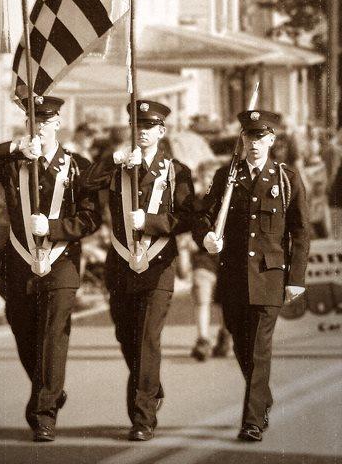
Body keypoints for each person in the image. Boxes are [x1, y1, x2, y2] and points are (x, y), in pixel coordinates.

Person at [0, 96, 101, 443]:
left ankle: (43, 414)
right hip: (19, 263)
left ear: (58, 123)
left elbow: (91, 218)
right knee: (23, 333)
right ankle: (51, 390)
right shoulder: (12, 164)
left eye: (47, 121)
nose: (40, 127)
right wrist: (14, 145)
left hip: (61, 264)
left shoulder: (78, 166)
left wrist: (56, 229)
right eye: (34, 121)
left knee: (51, 335)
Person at [81, 100, 195, 441]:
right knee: (126, 338)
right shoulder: (119, 167)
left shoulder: (177, 171)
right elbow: (86, 183)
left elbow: (188, 217)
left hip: (158, 268)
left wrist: (153, 221)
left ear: (161, 132)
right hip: (121, 266)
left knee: (147, 340)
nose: (142, 132)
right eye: (137, 127)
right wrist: (113, 160)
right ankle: (151, 385)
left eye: (149, 127)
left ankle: (142, 417)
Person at [195, 109, 310, 443]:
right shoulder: (226, 177)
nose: (255, 143)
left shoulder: (286, 178)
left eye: (262, 137)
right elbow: (203, 216)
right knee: (242, 344)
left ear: (272, 140)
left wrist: (296, 278)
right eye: (249, 136)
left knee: (259, 348)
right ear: (241, 139)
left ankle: (252, 421)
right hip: (232, 275)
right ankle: (263, 399)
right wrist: (206, 237)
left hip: (270, 275)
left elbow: (301, 232)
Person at [190, 159, 231, 361]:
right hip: (203, 257)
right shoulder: (195, 201)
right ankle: (203, 339)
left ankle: (225, 335)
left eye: (211, 177)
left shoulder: (229, 200)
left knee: (227, 299)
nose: (207, 180)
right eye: (204, 176)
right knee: (201, 293)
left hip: (226, 257)